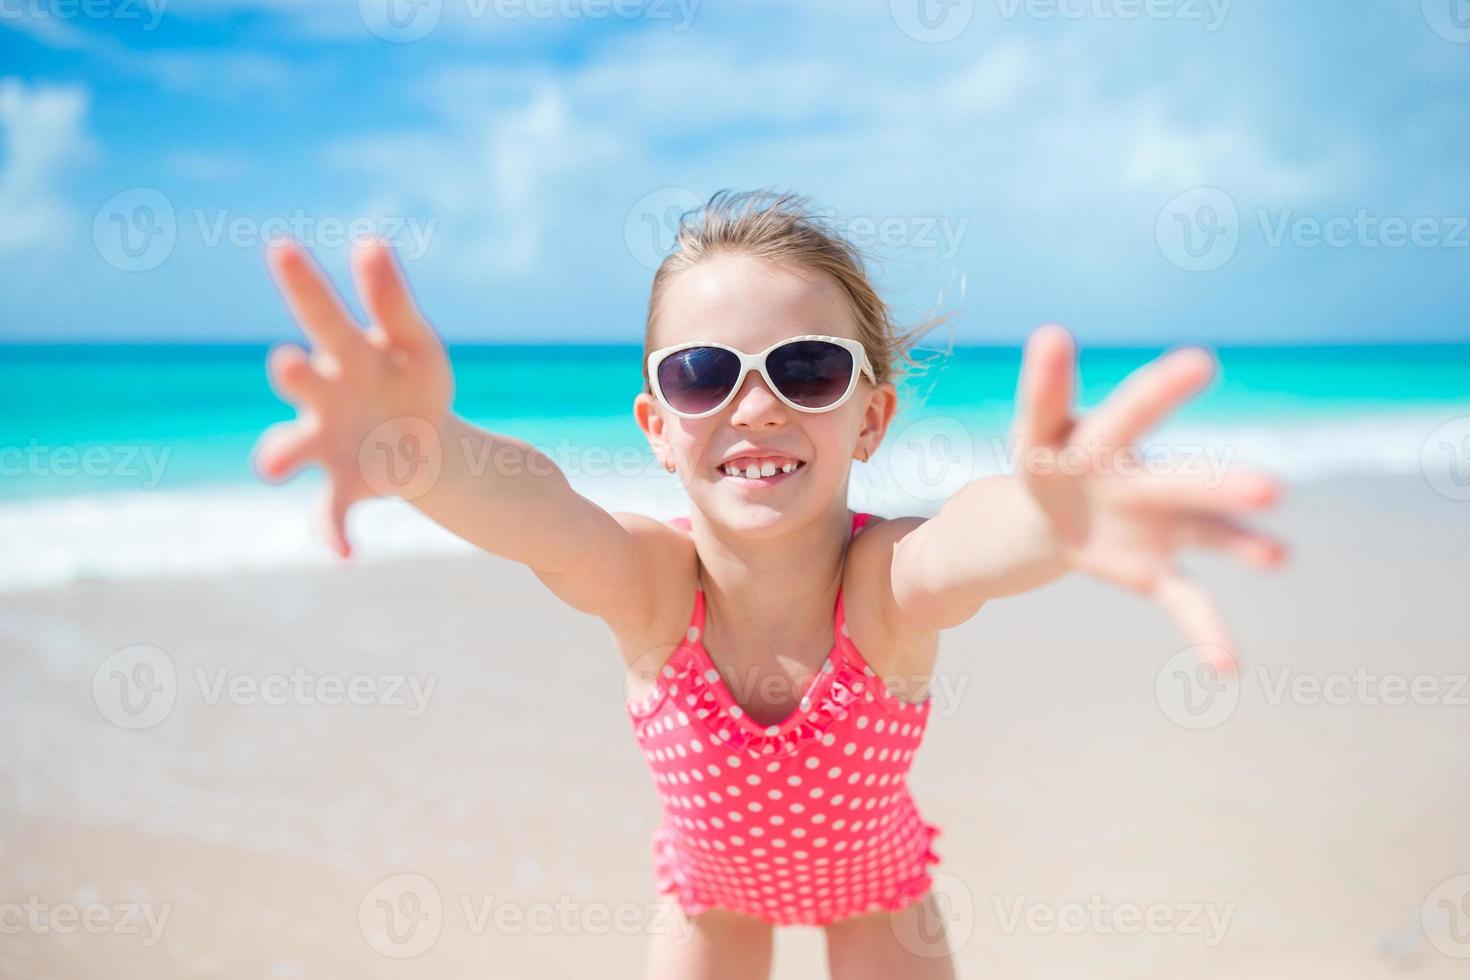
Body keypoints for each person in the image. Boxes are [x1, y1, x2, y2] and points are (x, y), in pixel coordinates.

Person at [253, 190, 1285, 979]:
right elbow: (549, 520)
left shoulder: (879, 589)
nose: (754, 407)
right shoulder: (657, 590)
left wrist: (1047, 516)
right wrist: (429, 454)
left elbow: (965, 543)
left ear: (869, 418)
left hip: (879, 888)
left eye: (808, 370)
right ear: (658, 424)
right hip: (713, 895)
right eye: (703, 373)